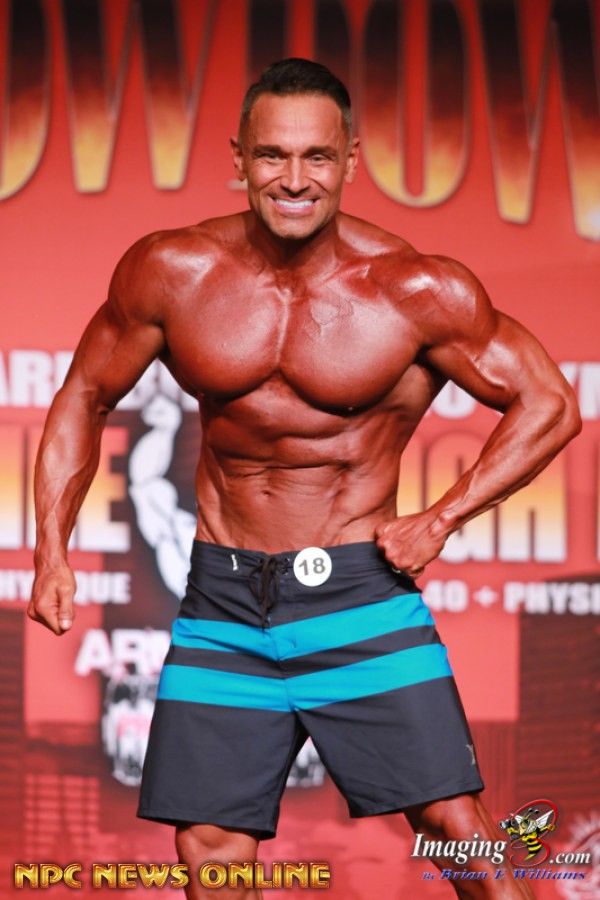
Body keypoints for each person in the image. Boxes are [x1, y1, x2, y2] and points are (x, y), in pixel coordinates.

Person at [29, 58, 580, 899]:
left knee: (452, 827)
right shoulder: (173, 271)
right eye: (272, 156)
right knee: (210, 847)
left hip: (356, 592)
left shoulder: (412, 288)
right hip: (223, 599)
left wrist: (443, 516)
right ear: (239, 158)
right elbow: (84, 395)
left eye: (317, 157)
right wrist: (52, 552)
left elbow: (549, 403)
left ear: (350, 160)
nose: (294, 180)